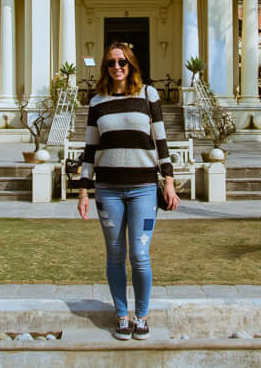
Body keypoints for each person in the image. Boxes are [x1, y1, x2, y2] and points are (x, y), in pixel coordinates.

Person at [77, 42, 180, 341]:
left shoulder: (148, 95)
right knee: (114, 254)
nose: (117, 67)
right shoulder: (97, 102)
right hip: (107, 189)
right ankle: (122, 315)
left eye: (122, 62)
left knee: (139, 254)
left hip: (143, 188)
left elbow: (161, 141)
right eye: (111, 63)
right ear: (105, 67)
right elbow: (89, 150)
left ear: (131, 64)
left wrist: (169, 182)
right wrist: (84, 192)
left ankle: (142, 315)